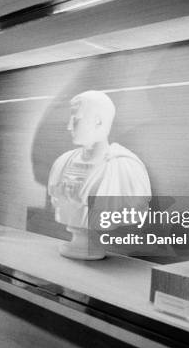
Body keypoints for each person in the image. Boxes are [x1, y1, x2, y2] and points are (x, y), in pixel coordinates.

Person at [48, 90, 151, 260]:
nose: (69, 126)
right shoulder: (62, 163)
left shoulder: (125, 168)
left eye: (76, 119)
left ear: (98, 121)